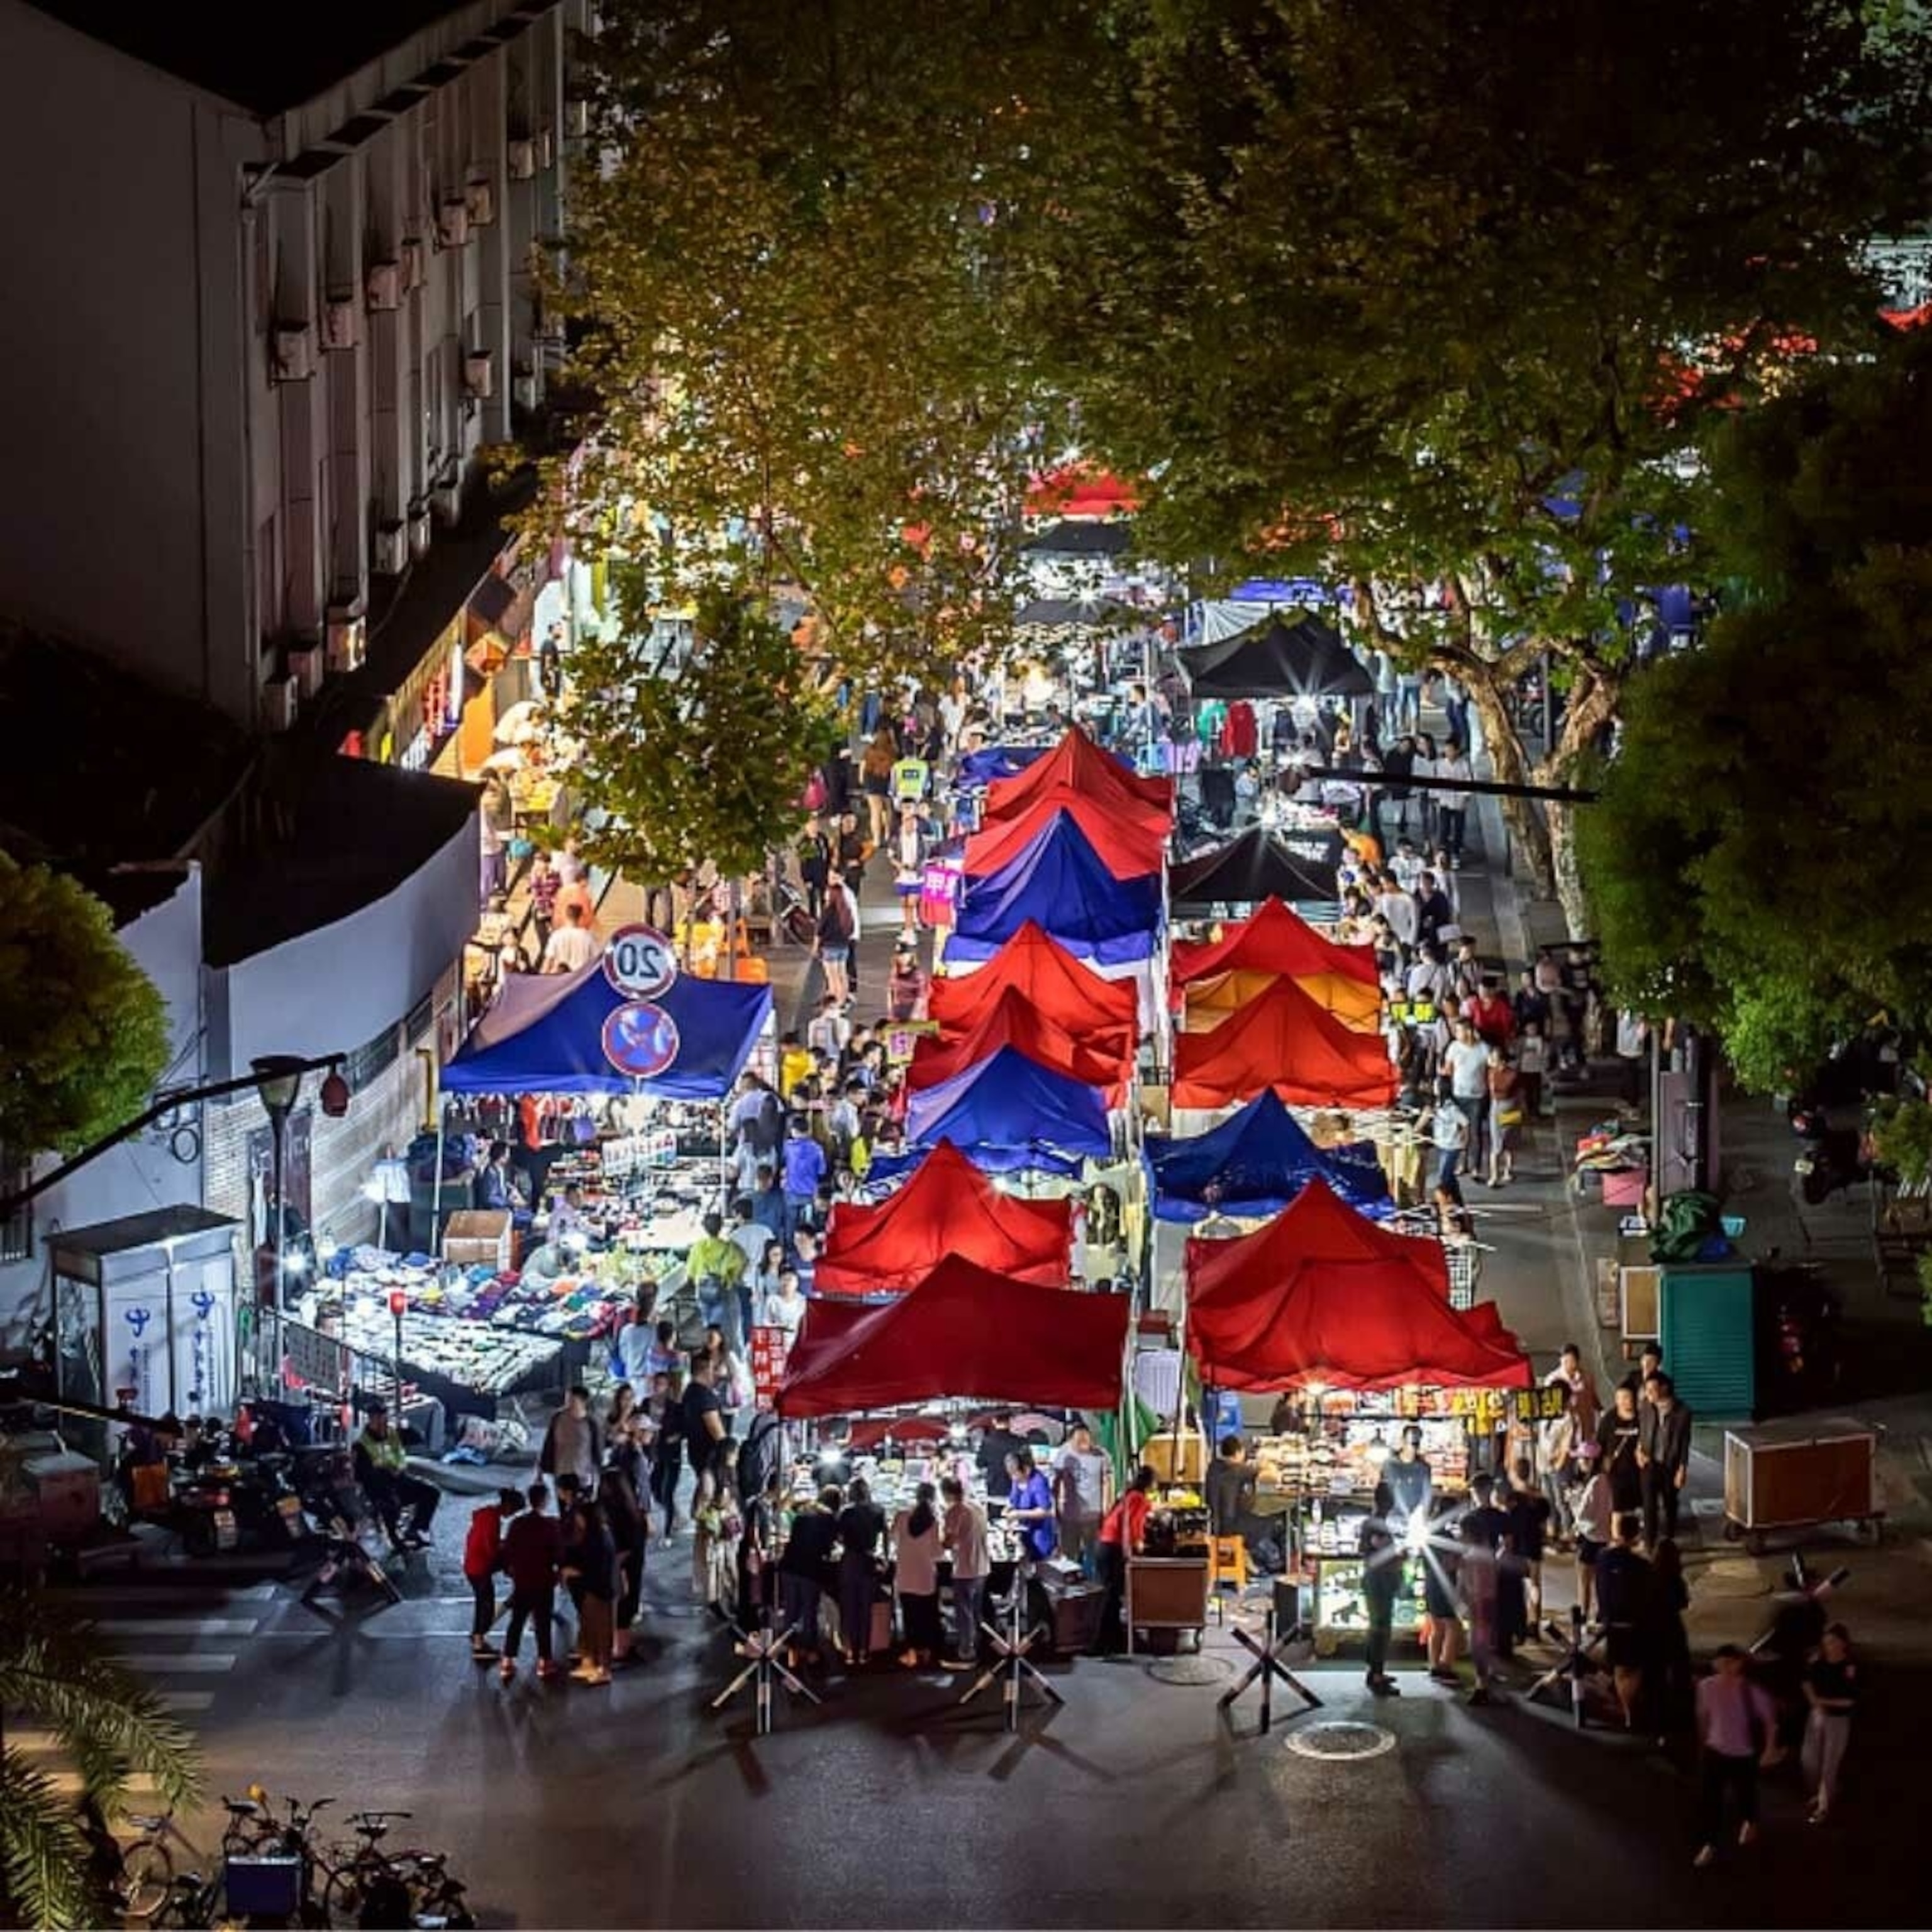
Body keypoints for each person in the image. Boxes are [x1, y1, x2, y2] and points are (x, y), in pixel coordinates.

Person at [1694, 1646, 1779, 1867]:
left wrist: (1769, 1749)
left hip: (1744, 1754)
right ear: (1715, 1664)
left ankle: (1750, 1822)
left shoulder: (1751, 1691)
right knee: (1710, 1800)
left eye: (1731, 1662)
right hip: (1715, 1751)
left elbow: (1770, 1722)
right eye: (1721, 1662)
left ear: (1740, 1664)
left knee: (1746, 1795)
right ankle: (1709, 1844)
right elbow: (1704, 1716)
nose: (1726, 1667)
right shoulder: (1706, 1686)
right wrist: (1703, 1744)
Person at [499, 1481, 566, 1682]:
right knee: (543, 1621)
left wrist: (510, 1570)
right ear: (545, 1501)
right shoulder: (551, 1525)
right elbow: (558, 1555)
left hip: (522, 1580)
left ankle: (508, 1661)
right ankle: (545, 1662)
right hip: (543, 1580)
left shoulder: (517, 1524)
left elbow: (507, 1550)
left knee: (517, 1621)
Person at [1594, 1513, 1653, 1729]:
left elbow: (1600, 1587)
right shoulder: (1642, 1565)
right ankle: (1631, 1708)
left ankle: (1627, 1709)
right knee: (1635, 1667)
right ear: (1636, 1533)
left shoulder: (1603, 1558)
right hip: (1635, 1623)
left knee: (1620, 1668)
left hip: (1612, 1621)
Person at [353, 1401, 438, 1548]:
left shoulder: (394, 1433)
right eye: (377, 1419)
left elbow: (418, 1438)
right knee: (391, 1503)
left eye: (383, 1418)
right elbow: (362, 1475)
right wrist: (385, 1472)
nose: (381, 1422)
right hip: (378, 1486)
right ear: (371, 1420)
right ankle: (394, 1538)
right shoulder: (362, 1444)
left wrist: (406, 1425)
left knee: (432, 1492)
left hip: (400, 1480)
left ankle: (416, 1529)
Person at [602, 1421, 651, 1663]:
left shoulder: (618, 1458)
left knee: (620, 1593)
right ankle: (620, 1647)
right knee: (627, 1594)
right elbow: (643, 1495)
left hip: (618, 1545)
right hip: (628, 1544)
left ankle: (619, 1642)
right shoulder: (635, 1459)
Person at [1094, 1465, 1156, 1655]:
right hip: (1113, 1547)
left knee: (1111, 1596)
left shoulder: (1128, 1495)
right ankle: (1103, 1643)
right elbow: (1133, 1526)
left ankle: (1110, 1640)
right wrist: (1136, 1547)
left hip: (1105, 1545)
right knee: (1111, 1597)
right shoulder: (1138, 1499)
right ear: (1151, 1483)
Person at [779, 1485, 841, 1667]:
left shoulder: (804, 1513)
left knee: (791, 1610)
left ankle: (789, 1649)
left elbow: (794, 1538)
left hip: (790, 1566)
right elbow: (827, 1548)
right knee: (809, 1611)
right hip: (810, 1570)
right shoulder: (830, 1520)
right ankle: (810, 1651)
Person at [1802, 1624, 1857, 1824]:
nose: (1829, 1646)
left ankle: (1823, 1808)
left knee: (1829, 1764)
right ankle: (1822, 1792)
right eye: (1826, 1643)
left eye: (1833, 1642)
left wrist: (1822, 1702)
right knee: (1809, 1760)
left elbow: (1849, 1701)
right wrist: (1814, 1703)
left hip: (1838, 1720)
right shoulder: (1818, 1661)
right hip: (1817, 1716)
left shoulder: (1850, 1668)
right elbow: (1806, 1682)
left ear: (1843, 1643)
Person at [462, 1487, 523, 1662]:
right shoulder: (493, 1520)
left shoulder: (485, 1515)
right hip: (480, 1568)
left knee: (483, 1603)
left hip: (473, 1565)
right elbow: (491, 1549)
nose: (512, 1515)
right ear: (508, 1506)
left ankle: (477, 1635)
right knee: (485, 1605)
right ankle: (479, 1642)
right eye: (514, 1510)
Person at [940, 1474, 992, 1671]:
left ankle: (966, 1653)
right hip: (982, 1566)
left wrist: (938, 1539)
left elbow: (948, 1542)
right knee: (977, 1612)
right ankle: (980, 1648)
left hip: (965, 1568)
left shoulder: (954, 1512)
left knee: (965, 1614)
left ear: (946, 1493)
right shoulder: (977, 1507)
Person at [564, 1497, 618, 1685]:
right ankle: (595, 1665)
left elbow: (597, 1569)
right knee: (593, 1629)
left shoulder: (599, 1540)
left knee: (601, 1631)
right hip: (596, 1590)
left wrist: (575, 1573)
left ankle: (604, 1670)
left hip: (599, 1590)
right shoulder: (599, 1535)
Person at [836, 1476, 889, 1666]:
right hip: (869, 1560)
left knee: (849, 1608)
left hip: (850, 1560)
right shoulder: (878, 1510)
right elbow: (886, 1535)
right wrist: (885, 1558)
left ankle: (851, 1650)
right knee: (866, 1608)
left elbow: (840, 1538)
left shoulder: (846, 1512)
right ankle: (865, 1651)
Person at [892, 1482, 945, 1670]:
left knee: (910, 1616)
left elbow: (894, 1540)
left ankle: (912, 1653)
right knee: (927, 1615)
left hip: (905, 1574)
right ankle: (928, 1652)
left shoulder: (901, 1517)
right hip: (926, 1575)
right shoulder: (933, 1522)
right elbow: (937, 1553)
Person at [1638, 1372, 1693, 1550]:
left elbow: (1685, 1442)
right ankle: (1650, 1545)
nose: (1649, 1394)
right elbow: (1641, 1431)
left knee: (1670, 1503)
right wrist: (1639, 1450)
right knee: (1649, 1505)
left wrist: (1682, 1469)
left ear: (1664, 1388)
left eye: (1652, 1390)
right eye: (1647, 1390)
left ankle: (1668, 1539)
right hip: (1649, 1463)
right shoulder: (1646, 1406)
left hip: (1670, 1464)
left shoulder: (1682, 1412)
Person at [1501, 1458, 1551, 1652]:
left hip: (1517, 1547)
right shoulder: (1538, 1497)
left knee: (1517, 1588)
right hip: (1534, 1545)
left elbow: (1509, 1523)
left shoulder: (1513, 1498)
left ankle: (1520, 1625)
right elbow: (1544, 1521)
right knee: (1535, 1586)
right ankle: (1535, 1623)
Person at [1360, 1482, 1406, 1697]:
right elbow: (1382, 1549)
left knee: (1378, 1627)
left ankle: (1375, 1671)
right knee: (1380, 1628)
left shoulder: (1373, 1522)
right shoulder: (1377, 1524)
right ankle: (1377, 1675)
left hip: (1377, 1579)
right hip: (1380, 1581)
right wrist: (1401, 1554)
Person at [1648, 1537, 1694, 1740]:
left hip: (1653, 1630)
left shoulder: (1649, 1577)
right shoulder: (1676, 1579)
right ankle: (1683, 1718)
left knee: (1656, 1675)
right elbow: (1683, 1604)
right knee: (1680, 1671)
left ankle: (1657, 1721)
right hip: (1672, 1627)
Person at [1051, 1420, 1113, 1570]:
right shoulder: (1063, 1454)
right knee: (1070, 1556)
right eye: (1079, 1441)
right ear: (1070, 1441)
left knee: (1095, 1555)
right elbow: (1055, 1482)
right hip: (1070, 1516)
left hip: (1094, 1514)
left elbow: (1107, 1482)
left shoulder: (1101, 1454)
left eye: (1086, 1440)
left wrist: (1106, 1509)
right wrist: (1056, 1508)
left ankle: (1094, 1585)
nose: (1084, 1444)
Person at [685, 1211, 747, 1349]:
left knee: (708, 1327)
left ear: (704, 1228)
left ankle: (710, 1353)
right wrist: (732, 1278)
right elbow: (741, 1263)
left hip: (703, 1293)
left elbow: (690, 1273)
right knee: (724, 1328)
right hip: (723, 1292)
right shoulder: (730, 1248)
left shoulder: (698, 1247)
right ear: (721, 1227)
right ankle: (723, 1354)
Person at [1457, 1515, 1502, 1704]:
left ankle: (1481, 1684)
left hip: (1479, 1603)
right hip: (1485, 1601)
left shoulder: (1472, 1555)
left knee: (1478, 1643)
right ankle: (1482, 1682)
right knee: (1481, 1642)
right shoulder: (1484, 1552)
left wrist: (1465, 1602)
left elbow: (1472, 1584)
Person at [1421, 1494, 1462, 1683]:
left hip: (1430, 1582)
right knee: (1453, 1627)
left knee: (1436, 1627)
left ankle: (1434, 1664)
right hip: (1444, 1584)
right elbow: (1450, 1564)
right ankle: (1445, 1664)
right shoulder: (1447, 1537)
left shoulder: (1427, 1533)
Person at [1571, 1442, 1614, 1619]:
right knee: (1600, 1581)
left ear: (1590, 1461)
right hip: (1603, 1536)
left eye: (1582, 1459)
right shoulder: (1605, 1480)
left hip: (1589, 1537)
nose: (1579, 1462)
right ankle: (1600, 1614)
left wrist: (1573, 1500)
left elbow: (1584, 1513)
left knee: (1584, 1581)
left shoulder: (1595, 1483)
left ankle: (1583, 1615)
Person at [538, 1385, 602, 1499]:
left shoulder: (591, 1422)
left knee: (582, 1510)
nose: (568, 1403)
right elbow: (549, 1444)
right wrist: (543, 1467)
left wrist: (598, 1470)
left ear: (583, 1402)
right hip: (562, 1472)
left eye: (572, 1400)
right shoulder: (558, 1418)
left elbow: (597, 1448)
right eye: (567, 1399)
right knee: (565, 1509)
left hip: (583, 1474)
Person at [682, 1350, 730, 1499]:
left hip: (696, 1450)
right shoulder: (704, 1397)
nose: (714, 1374)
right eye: (712, 1369)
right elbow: (715, 1429)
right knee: (713, 1493)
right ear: (705, 1370)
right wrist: (728, 1450)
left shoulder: (689, 1392)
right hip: (710, 1454)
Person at [1005, 1447, 1057, 1569]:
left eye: (1015, 1474)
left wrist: (1019, 1514)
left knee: (1039, 1567)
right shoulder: (1017, 1481)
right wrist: (1009, 1508)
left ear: (1026, 1470)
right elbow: (1013, 1499)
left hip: (1040, 1533)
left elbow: (1045, 1511)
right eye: (1010, 1474)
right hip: (1024, 1531)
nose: (1013, 1478)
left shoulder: (1038, 1482)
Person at [1205, 1433, 1258, 1544]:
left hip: (1212, 1523)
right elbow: (1261, 1470)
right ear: (1238, 1453)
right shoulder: (1238, 1470)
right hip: (1231, 1525)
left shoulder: (1213, 1467)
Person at [1484, 1043, 1522, 1187]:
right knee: (1496, 1143)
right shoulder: (1491, 1072)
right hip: (1497, 1107)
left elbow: (1503, 1089)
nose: (1491, 1061)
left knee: (1510, 1142)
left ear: (1503, 1061)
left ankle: (1508, 1170)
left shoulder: (1512, 1074)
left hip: (1511, 1107)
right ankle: (1494, 1175)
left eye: (1495, 1059)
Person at [1383, 1424, 1433, 1531]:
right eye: (1411, 1443)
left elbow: (1427, 1497)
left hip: (1415, 1522)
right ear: (1403, 1442)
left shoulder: (1424, 1468)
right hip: (1393, 1520)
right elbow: (1385, 1494)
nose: (1414, 1448)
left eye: (1416, 1444)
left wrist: (1421, 1519)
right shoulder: (1390, 1465)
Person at [1425, 1086, 1468, 1202]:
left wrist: (1465, 1141)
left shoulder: (1452, 1108)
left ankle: (1445, 1199)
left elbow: (1465, 1123)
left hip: (1452, 1145)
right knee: (1449, 1175)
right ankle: (1457, 1199)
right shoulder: (1437, 1106)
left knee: (1444, 1175)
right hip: (1442, 1143)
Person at [975, 1413, 1026, 1501]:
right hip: (1016, 1487)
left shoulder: (987, 1442)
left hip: (995, 1488)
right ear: (1010, 1422)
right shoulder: (1020, 1441)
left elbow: (980, 1463)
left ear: (994, 1421)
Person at [541, 899, 599, 974]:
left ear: (566, 915)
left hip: (560, 978)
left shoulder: (556, 936)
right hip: (579, 978)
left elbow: (548, 962)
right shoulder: (589, 937)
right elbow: (596, 961)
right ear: (581, 916)